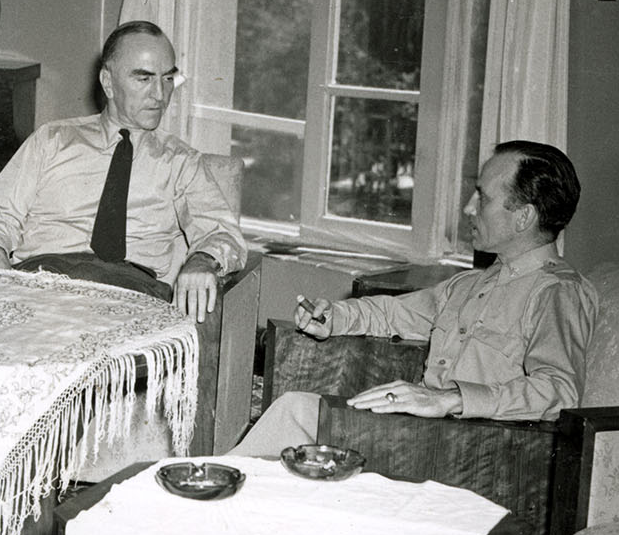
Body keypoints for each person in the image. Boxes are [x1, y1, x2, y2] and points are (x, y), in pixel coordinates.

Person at [230, 140, 598, 456]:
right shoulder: (471, 284)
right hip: (425, 435)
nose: (469, 208)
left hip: (476, 448)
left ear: (524, 217)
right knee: (295, 417)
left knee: (298, 414)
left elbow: (560, 391)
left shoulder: (557, 292)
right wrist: (335, 317)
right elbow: (392, 313)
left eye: (482, 197)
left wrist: (450, 399)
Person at [0, 20, 246, 321]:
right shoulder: (53, 140)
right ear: (108, 82)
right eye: (144, 79)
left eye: (167, 79)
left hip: (129, 299)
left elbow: (223, 234)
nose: (160, 95)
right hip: (39, 287)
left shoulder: (182, 162)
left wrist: (203, 261)